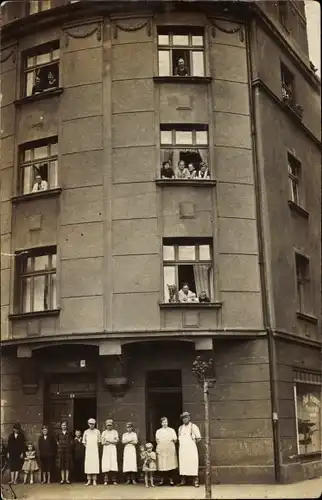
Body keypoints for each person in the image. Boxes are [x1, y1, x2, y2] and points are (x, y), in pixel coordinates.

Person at [178, 412, 201, 487]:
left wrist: (191, 444)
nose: (185, 419)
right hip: (183, 449)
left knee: (192, 463)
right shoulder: (180, 428)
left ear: (189, 418)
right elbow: (179, 439)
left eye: (186, 417)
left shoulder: (193, 426)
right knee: (183, 464)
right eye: (183, 418)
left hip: (191, 449)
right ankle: (183, 480)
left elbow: (198, 438)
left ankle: (195, 481)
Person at [155, 417, 177, 486]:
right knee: (162, 464)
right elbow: (157, 440)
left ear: (167, 422)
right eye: (163, 422)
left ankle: (171, 480)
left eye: (166, 422)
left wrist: (170, 445)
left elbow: (175, 440)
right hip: (162, 449)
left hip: (170, 449)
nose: (164, 423)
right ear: (161, 423)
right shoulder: (158, 431)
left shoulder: (171, 430)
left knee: (170, 464)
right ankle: (162, 480)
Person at [82, 418, 100, 486]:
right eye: (90, 424)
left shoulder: (97, 431)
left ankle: (94, 480)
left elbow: (99, 442)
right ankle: (89, 480)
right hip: (88, 451)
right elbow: (84, 442)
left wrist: (94, 448)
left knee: (95, 464)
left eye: (93, 424)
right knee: (88, 465)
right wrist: (88, 447)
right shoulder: (86, 432)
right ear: (88, 424)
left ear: (94, 424)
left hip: (95, 451)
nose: (91, 425)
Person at [101, 419, 119, 485]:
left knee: (113, 463)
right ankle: (106, 480)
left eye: (110, 425)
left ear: (112, 425)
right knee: (106, 463)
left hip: (113, 449)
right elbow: (103, 442)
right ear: (106, 425)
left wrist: (108, 440)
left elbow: (116, 441)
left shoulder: (115, 432)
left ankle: (114, 480)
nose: (109, 426)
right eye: (108, 425)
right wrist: (112, 441)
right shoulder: (104, 432)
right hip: (106, 449)